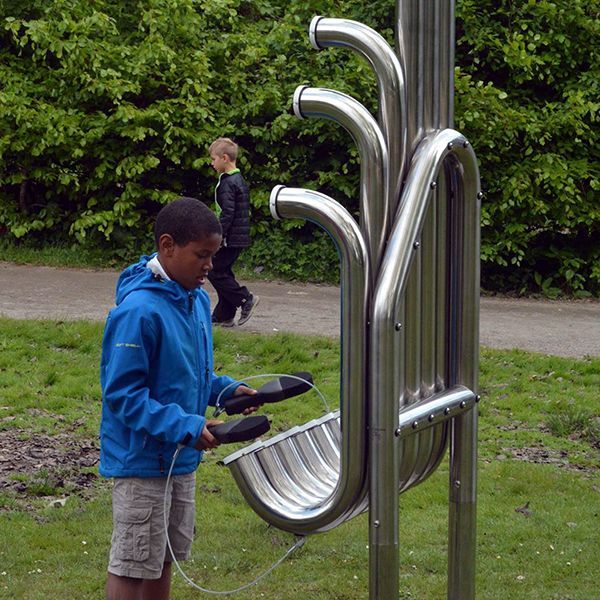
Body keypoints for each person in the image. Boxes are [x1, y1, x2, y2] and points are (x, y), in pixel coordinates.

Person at [99, 197, 258, 600]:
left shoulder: (196, 301)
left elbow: (189, 375)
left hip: (179, 458)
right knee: (133, 565)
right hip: (142, 463)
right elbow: (123, 395)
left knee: (164, 557)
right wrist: (187, 425)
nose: (210, 266)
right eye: (201, 255)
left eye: (214, 256)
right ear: (167, 246)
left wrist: (225, 390)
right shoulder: (138, 311)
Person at [208, 137, 259, 327]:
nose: (212, 163)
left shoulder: (228, 183)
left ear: (224, 158)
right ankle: (224, 314)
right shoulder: (238, 180)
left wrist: (218, 236)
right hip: (238, 235)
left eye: (213, 159)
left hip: (230, 237)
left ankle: (246, 299)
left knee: (214, 271)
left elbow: (227, 213)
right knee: (223, 272)